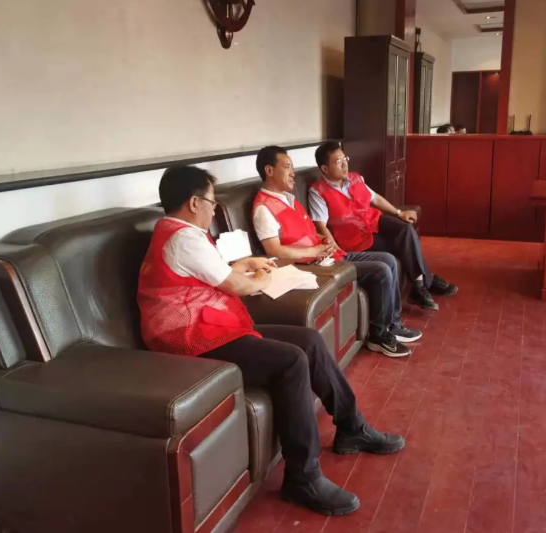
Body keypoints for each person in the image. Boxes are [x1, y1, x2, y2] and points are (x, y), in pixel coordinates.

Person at [138, 165, 406, 516]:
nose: (213, 210)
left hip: (208, 325)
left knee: (308, 341)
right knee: (291, 361)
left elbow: (212, 272)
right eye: (212, 203)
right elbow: (236, 286)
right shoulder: (184, 238)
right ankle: (303, 477)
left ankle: (351, 427)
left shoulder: (179, 233)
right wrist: (266, 278)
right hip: (188, 337)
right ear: (193, 202)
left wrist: (247, 263)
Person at [251, 146, 421, 358]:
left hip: (328, 255)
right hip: (312, 266)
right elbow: (273, 250)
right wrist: (315, 250)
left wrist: (325, 240)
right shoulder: (264, 208)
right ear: (269, 171)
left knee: (389, 260)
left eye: (292, 167)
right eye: (287, 167)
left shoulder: (288, 199)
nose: (293, 172)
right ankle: (378, 336)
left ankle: (392, 325)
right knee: (381, 270)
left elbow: (308, 232)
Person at [309, 141, 458, 311]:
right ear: (325, 169)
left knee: (406, 230)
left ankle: (419, 286)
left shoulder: (355, 178)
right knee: (400, 245)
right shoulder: (318, 192)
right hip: (354, 237)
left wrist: (399, 213)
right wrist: (335, 249)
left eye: (345, 159)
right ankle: (425, 282)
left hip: (373, 222)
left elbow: (376, 199)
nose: (345, 165)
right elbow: (321, 225)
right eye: (338, 162)